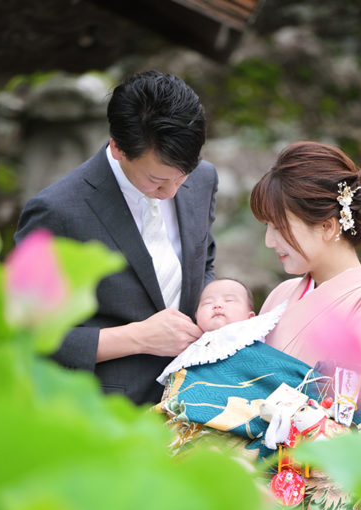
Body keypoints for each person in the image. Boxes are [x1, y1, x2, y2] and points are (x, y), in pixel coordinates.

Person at [14, 70, 218, 405]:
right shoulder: (57, 211)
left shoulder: (203, 178)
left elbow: (203, 263)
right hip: (107, 413)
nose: (170, 191)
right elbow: (28, 335)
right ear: (118, 147)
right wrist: (137, 338)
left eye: (183, 177)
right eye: (156, 179)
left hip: (196, 399)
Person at [250, 141, 361, 367]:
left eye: (280, 227)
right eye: (267, 227)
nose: (269, 241)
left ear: (327, 227)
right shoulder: (280, 295)